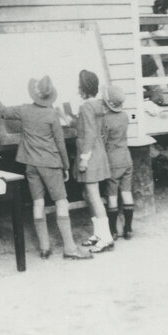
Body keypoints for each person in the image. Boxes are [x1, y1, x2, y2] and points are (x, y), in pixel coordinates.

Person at [0, 78, 92, 260]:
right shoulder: (52, 115)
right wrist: (65, 166)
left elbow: (3, 111)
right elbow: (60, 144)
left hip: (30, 164)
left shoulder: (25, 110)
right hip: (50, 164)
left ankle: (44, 248)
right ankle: (70, 248)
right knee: (61, 202)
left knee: (38, 203)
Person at [72, 70, 114, 253]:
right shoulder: (97, 105)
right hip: (97, 152)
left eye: (79, 85)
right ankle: (98, 234)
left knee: (93, 195)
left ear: (83, 88)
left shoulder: (86, 107)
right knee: (88, 194)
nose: (77, 87)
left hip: (89, 154)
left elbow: (88, 133)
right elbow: (95, 129)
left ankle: (106, 238)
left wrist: (84, 159)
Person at [101, 84, 136, 240]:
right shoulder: (125, 116)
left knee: (112, 196)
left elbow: (104, 141)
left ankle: (113, 231)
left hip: (113, 160)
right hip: (126, 158)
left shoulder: (105, 119)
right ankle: (128, 229)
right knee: (126, 193)